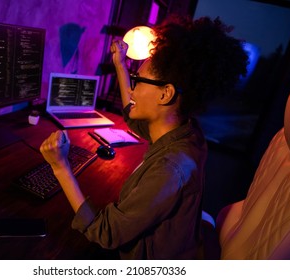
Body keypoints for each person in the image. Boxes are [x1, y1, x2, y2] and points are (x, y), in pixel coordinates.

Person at [40, 15, 248, 259]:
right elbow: (133, 117)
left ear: (165, 94)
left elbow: (105, 233)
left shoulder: (169, 168)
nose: (131, 89)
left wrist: (61, 167)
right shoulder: (187, 133)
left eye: (137, 81)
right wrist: (120, 65)